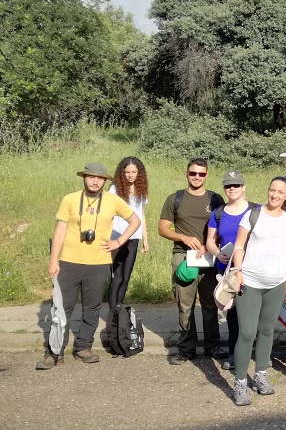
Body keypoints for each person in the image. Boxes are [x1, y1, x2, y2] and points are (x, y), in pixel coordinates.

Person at [37, 163, 141, 370]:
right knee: (61, 308)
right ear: (84, 178)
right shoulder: (70, 199)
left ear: (105, 181)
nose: (95, 181)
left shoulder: (113, 201)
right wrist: (53, 261)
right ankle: (54, 352)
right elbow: (59, 231)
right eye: (90, 177)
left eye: (99, 178)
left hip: (99, 263)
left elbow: (135, 221)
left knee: (91, 308)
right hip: (68, 262)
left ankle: (84, 347)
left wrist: (118, 242)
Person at [229, 177, 286, 406]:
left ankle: (260, 375)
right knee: (247, 333)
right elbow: (239, 244)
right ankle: (239, 382)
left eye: (280, 192)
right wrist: (238, 272)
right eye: (272, 190)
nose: (275, 195)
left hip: (276, 284)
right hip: (249, 283)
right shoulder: (253, 214)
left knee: (267, 331)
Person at [158, 158, 225, 365]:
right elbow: (163, 228)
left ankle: (212, 344)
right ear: (186, 173)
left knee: (210, 303)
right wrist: (183, 237)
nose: (197, 177)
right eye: (193, 173)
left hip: (209, 256)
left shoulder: (215, 198)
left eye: (201, 174)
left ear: (207, 175)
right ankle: (186, 348)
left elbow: (225, 225)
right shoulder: (175, 199)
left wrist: (211, 244)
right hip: (183, 257)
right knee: (185, 304)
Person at [206, 170, 255, 370]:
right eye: (228, 186)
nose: (232, 189)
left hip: (251, 269)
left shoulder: (256, 210)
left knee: (252, 314)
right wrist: (218, 253)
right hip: (227, 271)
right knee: (233, 316)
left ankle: (258, 352)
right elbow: (210, 241)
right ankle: (234, 353)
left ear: (244, 187)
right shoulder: (218, 213)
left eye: (236, 185)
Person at [107, 157, 150, 315]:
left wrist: (145, 238)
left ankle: (119, 307)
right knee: (117, 276)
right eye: (127, 172)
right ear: (122, 173)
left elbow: (141, 215)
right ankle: (113, 312)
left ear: (139, 173)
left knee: (126, 276)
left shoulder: (140, 190)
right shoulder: (114, 189)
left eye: (133, 172)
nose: (130, 175)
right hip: (117, 236)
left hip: (134, 237)